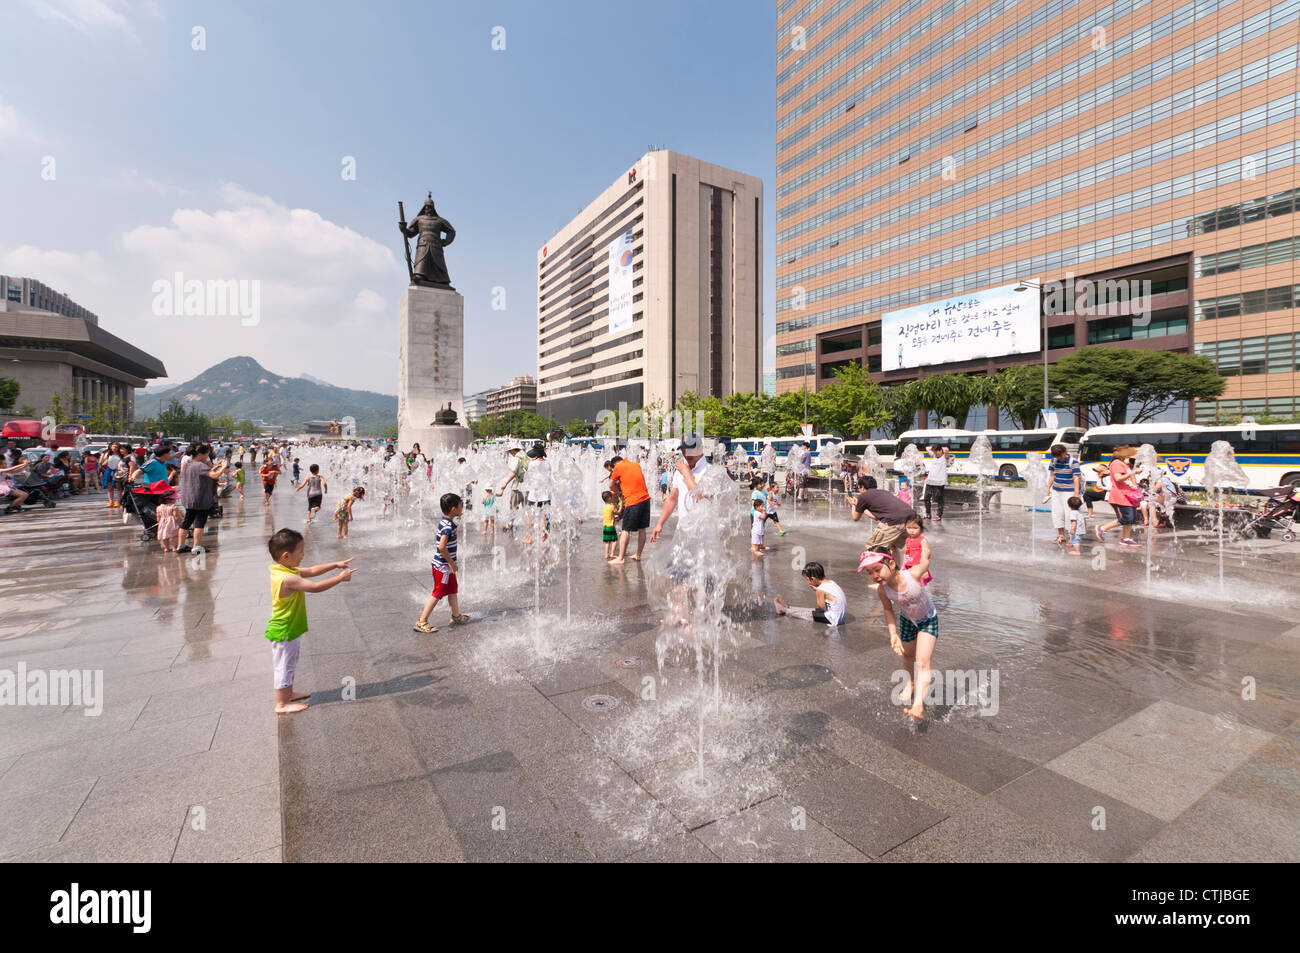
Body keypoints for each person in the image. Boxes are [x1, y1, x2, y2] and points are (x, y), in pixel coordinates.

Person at [263, 527, 356, 714]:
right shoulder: (287, 578)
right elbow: (315, 587)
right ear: (286, 555)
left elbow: (312, 570)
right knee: (284, 667)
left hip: (290, 628)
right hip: (284, 630)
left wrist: (335, 565)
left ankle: (288, 694)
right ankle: (281, 704)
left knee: (289, 664)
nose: (303, 555)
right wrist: (339, 578)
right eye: (300, 551)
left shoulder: (283, 568)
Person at [859, 548, 937, 721]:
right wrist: (893, 634)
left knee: (922, 661)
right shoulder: (883, 590)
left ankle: (918, 706)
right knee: (908, 656)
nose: (874, 575)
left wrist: (925, 552)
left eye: (877, 569)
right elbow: (888, 610)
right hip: (907, 620)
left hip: (928, 619)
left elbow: (925, 563)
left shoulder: (913, 575)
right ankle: (910, 683)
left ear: (892, 564)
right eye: (869, 572)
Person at [413, 492, 470, 632]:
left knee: (453, 589)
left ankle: (455, 616)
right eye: (461, 506)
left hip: (445, 566)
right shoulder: (447, 526)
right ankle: (422, 621)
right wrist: (451, 563)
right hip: (443, 567)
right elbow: (442, 547)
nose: (462, 508)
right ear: (453, 509)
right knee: (438, 593)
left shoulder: (446, 522)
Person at [847, 475, 917, 565]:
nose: (859, 490)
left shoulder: (863, 496)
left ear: (863, 487)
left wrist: (853, 504)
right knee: (892, 546)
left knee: (872, 547)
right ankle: (896, 570)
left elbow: (855, 517)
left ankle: (883, 571)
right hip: (911, 520)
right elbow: (876, 517)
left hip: (894, 521)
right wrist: (859, 505)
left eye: (859, 488)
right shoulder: (883, 492)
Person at [177, 443, 227, 555]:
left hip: (188, 498)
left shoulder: (187, 464)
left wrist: (217, 467)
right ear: (200, 454)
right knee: (199, 523)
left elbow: (206, 472)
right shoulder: (201, 465)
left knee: (187, 521)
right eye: (207, 454)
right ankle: (196, 547)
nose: (207, 457)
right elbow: (214, 476)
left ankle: (181, 545)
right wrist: (223, 467)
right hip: (200, 498)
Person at [608, 453, 651, 564]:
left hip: (633, 501)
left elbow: (611, 485)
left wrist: (619, 494)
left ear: (614, 465)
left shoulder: (618, 467)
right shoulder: (635, 464)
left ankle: (620, 558)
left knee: (625, 530)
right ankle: (638, 555)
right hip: (646, 499)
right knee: (642, 529)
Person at [774, 562, 847, 626]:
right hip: (840, 615)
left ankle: (782, 610)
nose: (808, 582)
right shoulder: (831, 582)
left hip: (833, 619)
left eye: (807, 580)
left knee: (807, 614)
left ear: (813, 579)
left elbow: (822, 608)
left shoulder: (820, 589)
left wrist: (817, 592)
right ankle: (787, 607)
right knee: (812, 610)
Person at [1097, 449, 1141, 546]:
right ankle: (1103, 528)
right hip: (1122, 495)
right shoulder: (1116, 463)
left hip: (1129, 495)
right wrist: (1133, 473)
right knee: (1127, 517)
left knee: (1132, 518)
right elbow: (1118, 478)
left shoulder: (1122, 464)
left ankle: (1126, 538)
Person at [1045, 443, 1082, 545]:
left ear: (1065, 452)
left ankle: (1072, 537)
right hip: (1056, 491)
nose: (1059, 459)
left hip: (1069, 491)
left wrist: (1076, 493)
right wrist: (1048, 488)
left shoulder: (1073, 462)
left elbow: (1076, 477)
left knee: (1070, 514)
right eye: (1057, 457)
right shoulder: (1053, 461)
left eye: (1060, 456)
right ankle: (1061, 535)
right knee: (1057, 513)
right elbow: (1052, 476)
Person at [921, 444, 953, 521]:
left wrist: (940, 449)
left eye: (937, 452)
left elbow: (946, 449)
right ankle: (928, 514)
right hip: (930, 480)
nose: (935, 453)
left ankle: (939, 515)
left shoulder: (945, 457)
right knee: (926, 498)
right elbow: (927, 448)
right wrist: (934, 449)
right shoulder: (934, 456)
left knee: (939, 498)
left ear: (941, 450)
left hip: (940, 481)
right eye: (934, 452)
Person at [903, 515, 933, 584]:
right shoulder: (908, 539)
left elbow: (926, 554)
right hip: (908, 566)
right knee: (908, 584)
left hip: (919, 567)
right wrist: (903, 565)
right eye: (909, 527)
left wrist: (924, 569)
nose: (911, 530)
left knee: (918, 585)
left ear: (921, 528)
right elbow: (906, 552)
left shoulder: (922, 540)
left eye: (915, 528)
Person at [500, 445, 528, 512]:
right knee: (526, 509)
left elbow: (514, 473)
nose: (509, 453)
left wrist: (505, 483)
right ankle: (528, 519)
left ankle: (512, 519)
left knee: (513, 508)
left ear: (513, 450)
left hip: (517, 487)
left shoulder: (516, 459)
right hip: (526, 486)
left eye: (510, 451)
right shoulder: (526, 457)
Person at [601, 489, 620, 558]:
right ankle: (612, 554)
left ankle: (606, 555)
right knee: (614, 541)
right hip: (611, 527)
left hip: (605, 527)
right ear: (609, 498)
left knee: (607, 542)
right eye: (612, 497)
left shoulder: (604, 507)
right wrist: (621, 506)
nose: (613, 498)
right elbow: (618, 513)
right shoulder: (612, 507)